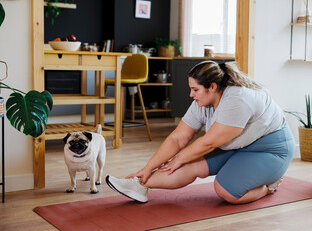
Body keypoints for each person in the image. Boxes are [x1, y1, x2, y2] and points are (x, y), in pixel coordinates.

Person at [106, 61, 295, 204]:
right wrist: (148, 168)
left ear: (212, 86)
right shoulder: (203, 101)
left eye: (195, 89)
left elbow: (208, 143)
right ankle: (139, 185)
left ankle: (269, 187)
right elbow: (179, 138)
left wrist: (179, 158)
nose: (191, 94)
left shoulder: (238, 99)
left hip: (270, 149)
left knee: (226, 191)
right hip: (237, 144)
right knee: (190, 164)